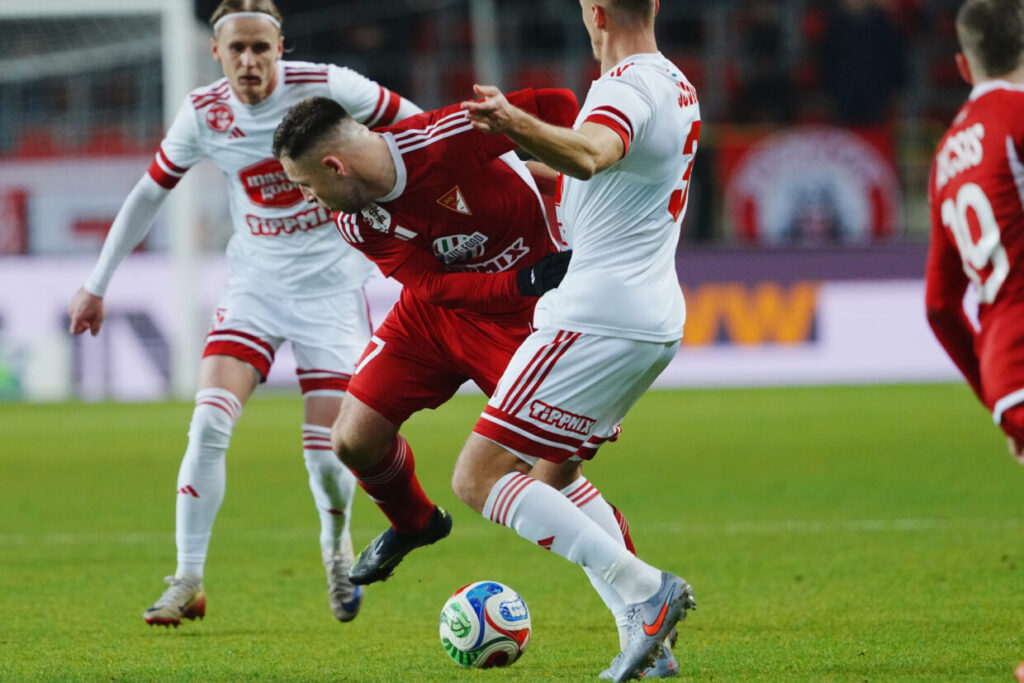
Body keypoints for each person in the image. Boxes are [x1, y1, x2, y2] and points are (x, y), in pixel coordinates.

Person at [272, 85, 679, 678]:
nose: (307, 199)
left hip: (528, 320)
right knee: (352, 440)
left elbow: (556, 103)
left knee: (553, 475)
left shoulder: (444, 139)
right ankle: (415, 522)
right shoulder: (354, 220)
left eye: (306, 184)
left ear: (335, 165)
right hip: (439, 313)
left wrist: (567, 166)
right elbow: (431, 285)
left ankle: (640, 628)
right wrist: (520, 279)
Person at [67, 0, 421, 627]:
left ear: (280, 47)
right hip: (255, 287)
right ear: (217, 52)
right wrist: (96, 285)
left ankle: (335, 547)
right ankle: (187, 579)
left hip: (331, 293)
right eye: (237, 48)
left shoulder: (328, 86)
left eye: (261, 47)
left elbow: (420, 126)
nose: (249, 60)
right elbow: (150, 192)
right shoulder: (204, 112)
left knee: (328, 453)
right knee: (207, 424)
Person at [376, 0, 699, 679]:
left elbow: (591, 153)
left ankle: (646, 590)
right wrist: (510, 166)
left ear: (595, 12)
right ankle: (648, 643)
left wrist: (511, 121)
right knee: (556, 473)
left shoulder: (626, 88)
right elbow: (603, 175)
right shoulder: (676, 84)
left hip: (595, 314)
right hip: (653, 317)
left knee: (478, 476)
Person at [925, 0, 1024, 467]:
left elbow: (939, 307)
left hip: (1007, 381)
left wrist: (998, 398)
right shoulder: (1016, 114)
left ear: (964, 66)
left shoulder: (944, 158)